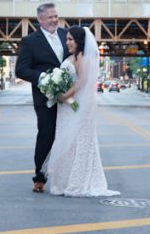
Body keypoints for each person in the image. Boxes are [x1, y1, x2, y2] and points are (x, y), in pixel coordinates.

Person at [42, 25, 119, 198]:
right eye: (67, 38)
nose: (67, 42)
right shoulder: (73, 56)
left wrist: (64, 95)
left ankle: (76, 182)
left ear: (79, 41)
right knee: (67, 141)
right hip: (68, 105)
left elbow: (83, 81)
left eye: (70, 39)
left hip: (76, 105)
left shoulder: (82, 57)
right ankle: (64, 181)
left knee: (77, 142)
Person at [14, 3, 67, 193]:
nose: (54, 20)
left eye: (56, 16)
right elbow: (20, 69)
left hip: (68, 96)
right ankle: (40, 176)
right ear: (40, 19)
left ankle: (66, 175)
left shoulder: (65, 34)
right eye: (50, 17)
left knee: (70, 135)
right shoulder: (30, 41)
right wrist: (43, 78)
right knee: (47, 135)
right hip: (44, 98)